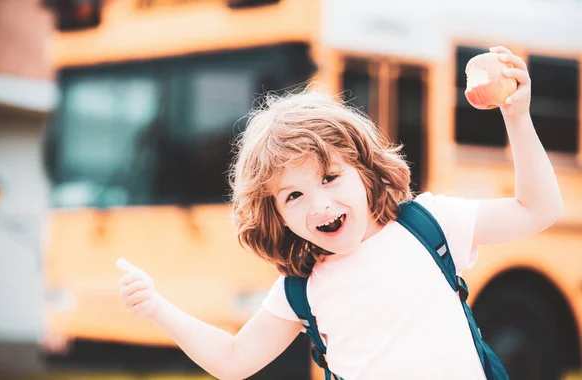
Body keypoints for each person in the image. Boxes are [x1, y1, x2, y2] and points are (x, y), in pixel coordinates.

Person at [116, 46, 562, 379]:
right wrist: (157, 307)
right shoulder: (301, 288)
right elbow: (233, 361)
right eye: (293, 196)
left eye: (330, 177)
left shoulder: (429, 224)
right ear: (276, 216)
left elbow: (537, 209)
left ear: (365, 171)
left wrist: (516, 115)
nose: (320, 204)